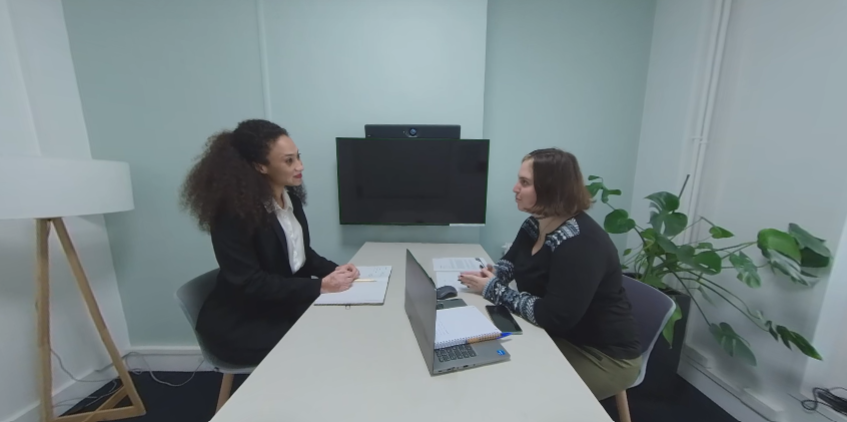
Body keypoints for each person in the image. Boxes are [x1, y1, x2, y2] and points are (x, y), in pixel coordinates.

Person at [459, 148, 641, 400]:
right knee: (491, 364)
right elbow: (510, 262)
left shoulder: (581, 244)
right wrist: (492, 273)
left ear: (551, 189)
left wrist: (493, 289)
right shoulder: (536, 223)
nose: (515, 188)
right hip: (562, 336)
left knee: (519, 392)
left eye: (524, 183)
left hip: (603, 357)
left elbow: (552, 316)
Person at [180, 119, 359, 366]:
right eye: (289, 161)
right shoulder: (232, 214)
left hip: (280, 305)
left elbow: (301, 255)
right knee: (327, 339)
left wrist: (336, 271)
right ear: (260, 166)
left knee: (346, 323)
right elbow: (250, 283)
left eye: (298, 156)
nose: (300, 166)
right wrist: (320, 287)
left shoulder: (289, 199)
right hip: (244, 322)